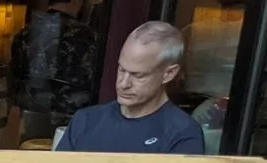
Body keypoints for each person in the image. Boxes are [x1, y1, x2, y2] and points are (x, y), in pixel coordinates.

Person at [57, 21, 205, 153]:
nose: (123, 84)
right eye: (121, 70)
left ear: (169, 74)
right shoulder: (85, 121)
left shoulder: (182, 134)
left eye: (138, 75)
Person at [10, 0, 101, 143]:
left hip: (30, 116)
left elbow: (15, 76)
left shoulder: (24, 34)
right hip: (72, 120)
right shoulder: (88, 36)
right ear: (78, 0)